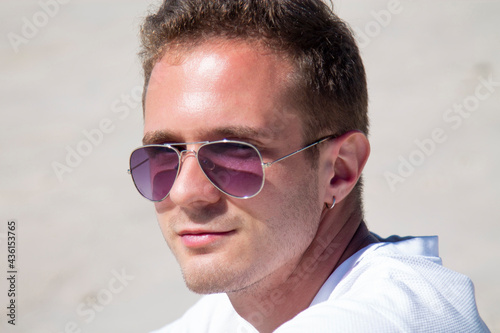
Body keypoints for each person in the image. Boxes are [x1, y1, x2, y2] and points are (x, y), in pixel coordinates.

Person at [128, 0, 489, 332]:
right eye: (163, 153)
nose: (185, 191)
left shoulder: (388, 317)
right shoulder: (230, 312)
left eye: (234, 153)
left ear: (339, 170)